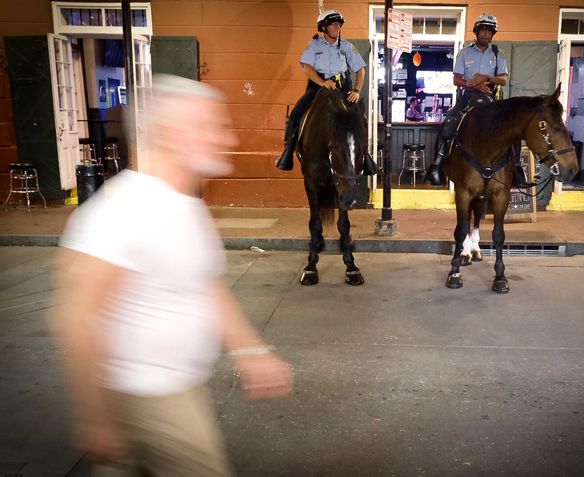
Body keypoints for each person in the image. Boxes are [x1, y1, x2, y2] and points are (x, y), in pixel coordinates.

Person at [50, 74, 293, 476]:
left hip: (176, 390)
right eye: (209, 127)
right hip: (145, 397)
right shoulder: (121, 211)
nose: (227, 139)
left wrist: (250, 351)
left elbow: (202, 285)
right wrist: (95, 418)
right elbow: (75, 320)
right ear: (167, 133)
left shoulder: (183, 205)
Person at [426, 13, 526, 187]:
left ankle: (517, 170)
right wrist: (473, 85)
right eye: (483, 30)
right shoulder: (464, 52)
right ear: (477, 31)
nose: (486, 34)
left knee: (513, 130)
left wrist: (485, 78)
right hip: (468, 97)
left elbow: (502, 79)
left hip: (490, 99)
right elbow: (456, 80)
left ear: (493, 34)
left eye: (489, 31)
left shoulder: (498, 54)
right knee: (447, 125)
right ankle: (437, 167)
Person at [276, 9, 376, 174]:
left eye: (339, 24)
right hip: (318, 86)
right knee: (295, 114)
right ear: (324, 27)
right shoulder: (313, 45)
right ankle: (287, 152)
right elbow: (307, 67)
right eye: (333, 24)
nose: (338, 27)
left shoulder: (347, 47)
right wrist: (322, 82)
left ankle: (365, 156)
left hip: (342, 87)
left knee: (360, 117)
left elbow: (361, 70)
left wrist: (357, 91)